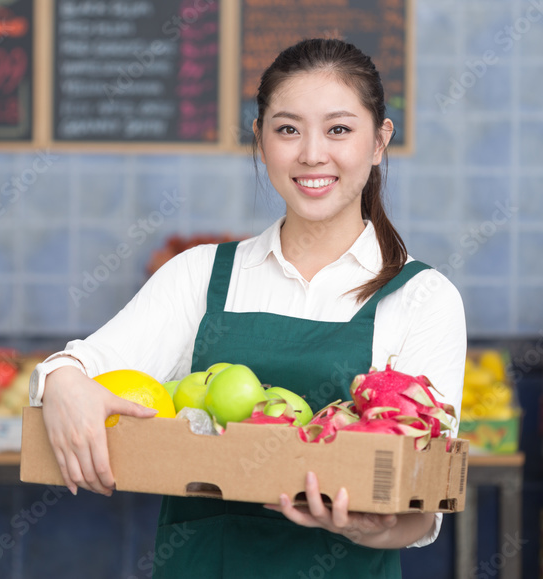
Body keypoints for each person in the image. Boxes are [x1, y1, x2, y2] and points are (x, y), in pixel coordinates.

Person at [29, 38, 467, 578]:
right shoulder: (201, 276)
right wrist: (63, 381)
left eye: (338, 129)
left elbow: (423, 505)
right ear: (260, 140)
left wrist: (366, 526)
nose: (311, 153)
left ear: (379, 141)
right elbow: (85, 366)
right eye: (287, 129)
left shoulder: (423, 298)